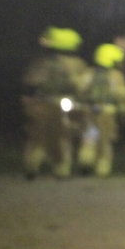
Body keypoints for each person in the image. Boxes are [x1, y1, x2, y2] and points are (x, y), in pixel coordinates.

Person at [20, 27, 89, 179]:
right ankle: (61, 169)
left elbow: (30, 81)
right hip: (65, 104)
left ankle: (32, 165)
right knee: (63, 137)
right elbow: (83, 87)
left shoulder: (42, 62)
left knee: (38, 137)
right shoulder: (78, 64)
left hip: (41, 103)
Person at [76, 43, 125, 177]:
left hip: (89, 111)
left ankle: (85, 161)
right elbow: (123, 95)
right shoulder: (117, 76)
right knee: (105, 142)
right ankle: (102, 169)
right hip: (107, 113)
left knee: (89, 138)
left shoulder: (88, 73)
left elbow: (79, 90)